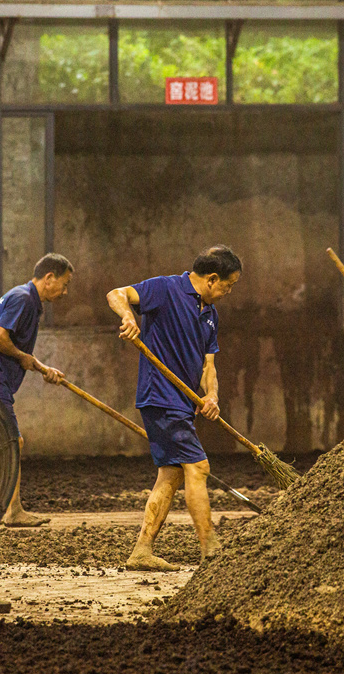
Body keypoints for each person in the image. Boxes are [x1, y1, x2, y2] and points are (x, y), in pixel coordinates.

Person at [107, 245, 242, 572]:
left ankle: (142, 550)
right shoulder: (165, 289)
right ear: (212, 279)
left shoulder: (210, 315)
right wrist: (128, 316)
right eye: (228, 285)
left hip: (182, 404)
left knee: (170, 475)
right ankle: (211, 548)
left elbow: (208, 365)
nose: (228, 292)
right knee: (198, 468)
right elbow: (116, 294)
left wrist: (212, 397)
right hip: (160, 397)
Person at [0, 253, 73, 527]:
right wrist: (26, 359)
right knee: (13, 442)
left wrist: (40, 367)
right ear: (49, 278)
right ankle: (11, 510)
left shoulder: (27, 300)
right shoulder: (23, 299)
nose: (65, 291)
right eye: (64, 283)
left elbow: (17, 349)